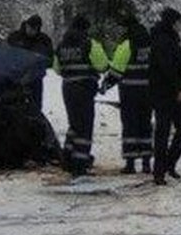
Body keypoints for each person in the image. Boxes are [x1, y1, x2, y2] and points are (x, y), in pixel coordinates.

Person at [53, 15, 109, 176]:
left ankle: (68, 158)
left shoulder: (62, 45)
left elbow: (57, 69)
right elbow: (102, 65)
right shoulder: (89, 43)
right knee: (84, 127)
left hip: (68, 88)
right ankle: (80, 163)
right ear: (85, 28)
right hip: (84, 88)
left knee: (74, 124)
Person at [106, 14, 153, 175]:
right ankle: (147, 162)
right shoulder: (149, 42)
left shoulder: (127, 43)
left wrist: (106, 84)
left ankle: (131, 163)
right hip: (147, 90)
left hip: (129, 90)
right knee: (145, 124)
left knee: (130, 125)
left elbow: (118, 68)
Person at [149, 6, 181, 185]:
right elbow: (168, 68)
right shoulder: (164, 40)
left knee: (178, 129)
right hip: (166, 93)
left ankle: (166, 165)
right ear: (173, 22)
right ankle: (161, 168)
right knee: (165, 131)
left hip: (166, 91)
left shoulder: (169, 38)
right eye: (179, 22)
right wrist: (179, 89)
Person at [8, 14, 54, 111]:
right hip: (16, 79)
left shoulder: (44, 40)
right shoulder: (15, 38)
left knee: (35, 108)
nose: (31, 31)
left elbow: (50, 60)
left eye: (35, 29)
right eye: (30, 27)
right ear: (26, 25)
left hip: (35, 79)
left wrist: (39, 63)